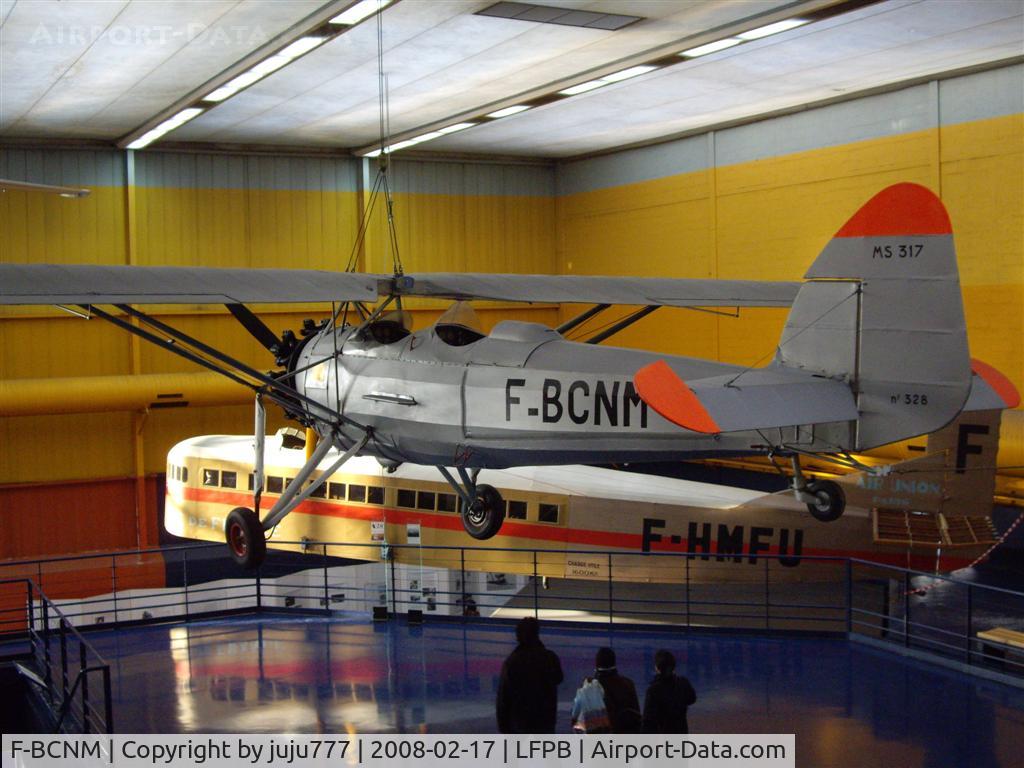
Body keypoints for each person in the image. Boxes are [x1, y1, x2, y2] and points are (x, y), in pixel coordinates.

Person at [496, 617, 564, 733]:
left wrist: (504, 728)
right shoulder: (549, 658)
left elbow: (503, 698)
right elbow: (558, 678)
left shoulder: (512, 662)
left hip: (519, 726)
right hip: (544, 723)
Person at [572, 647, 641, 733]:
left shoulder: (588, 687)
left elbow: (576, 718)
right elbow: (636, 715)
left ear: (597, 664)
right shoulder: (628, 684)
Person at [642, 649, 697, 734]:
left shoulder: (653, 690)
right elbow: (692, 699)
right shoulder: (683, 683)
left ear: (657, 667)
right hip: (681, 732)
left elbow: (648, 719)